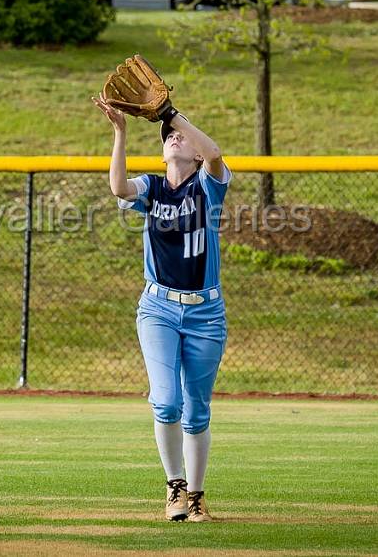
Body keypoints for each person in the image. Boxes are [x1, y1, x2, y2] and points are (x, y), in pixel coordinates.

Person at [93, 91, 232, 523]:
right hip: (158, 309)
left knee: (197, 410)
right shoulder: (152, 188)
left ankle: (197, 496)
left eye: (179, 135)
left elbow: (213, 151)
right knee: (167, 403)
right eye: (167, 136)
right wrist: (120, 133)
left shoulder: (208, 186)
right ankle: (174, 486)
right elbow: (118, 186)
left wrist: (172, 114)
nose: (173, 137)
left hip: (206, 314)